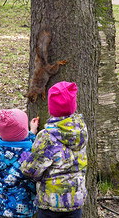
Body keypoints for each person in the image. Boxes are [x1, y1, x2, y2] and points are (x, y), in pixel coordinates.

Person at [21, 81, 88, 218]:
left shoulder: (47, 137)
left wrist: (26, 159)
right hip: (75, 200)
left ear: (51, 108)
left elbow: (31, 170)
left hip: (51, 205)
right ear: (73, 106)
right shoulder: (81, 130)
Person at [0, 108, 39, 218]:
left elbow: (20, 147)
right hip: (21, 211)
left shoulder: (0, 149)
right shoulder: (28, 155)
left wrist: (31, 133)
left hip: (1, 206)